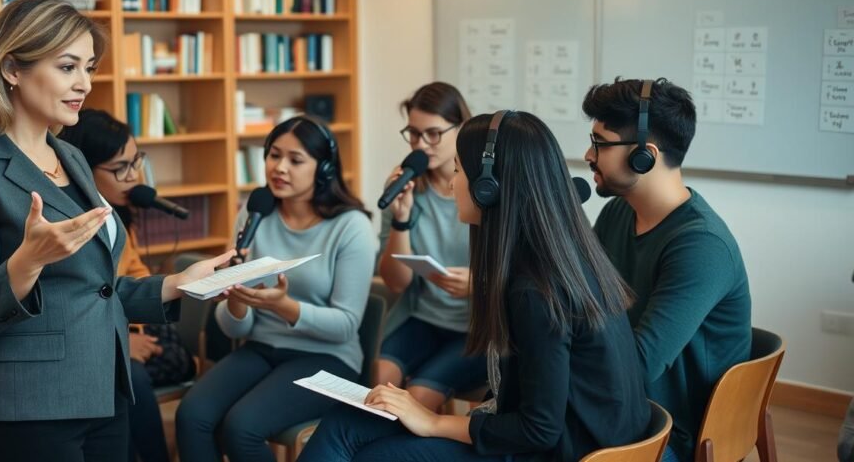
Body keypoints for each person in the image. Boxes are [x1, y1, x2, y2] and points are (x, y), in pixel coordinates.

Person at [0, 0, 233, 462]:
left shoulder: (69, 157)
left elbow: (96, 289)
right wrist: (27, 262)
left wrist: (177, 285)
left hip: (102, 393)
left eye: (89, 68)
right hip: (23, 409)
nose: (85, 84)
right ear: (12, 69)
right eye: (68, 67)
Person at [299, 110, 650, 462]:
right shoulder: (561, 256)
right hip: (543, 435)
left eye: (457, 170)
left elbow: (539, 430)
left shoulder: (536, 290)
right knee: (344, 424)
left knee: (375, 454)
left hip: (557, 451)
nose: (451, 184)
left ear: (489, 187)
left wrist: (434, 422)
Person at [175, 116, 376, 462]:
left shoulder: (350, 227)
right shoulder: (253, 216)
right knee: (191, 415)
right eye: (273, 155)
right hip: (262, 347)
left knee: (242, 428)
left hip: (328, 358)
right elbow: (234, 327)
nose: (279, 168)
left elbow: (345, 325)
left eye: (295, 160)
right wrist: (237, 301)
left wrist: (284, 306)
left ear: (324, 169)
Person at [582, 78, 752, 462]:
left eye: (600, 144)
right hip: (625, 407)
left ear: (646, 154)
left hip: (672, 430)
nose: (588, 156)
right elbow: (583, 300)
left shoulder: (702, 246)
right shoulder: (617, 212)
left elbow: (638, 366)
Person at [59, 108, 197, 462]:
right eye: (120, 167)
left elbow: (130, 280)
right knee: (128, 378)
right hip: (81, 340)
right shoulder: (68, 224)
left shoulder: (118, 214)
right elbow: (76, 298)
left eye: (137, 161)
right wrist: (118, 339)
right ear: (80, 166)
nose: (134, 175)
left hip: (122, 326)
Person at [375, 82, 485, 411]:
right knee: (381, 383)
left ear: (462, 127)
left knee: (419, 396)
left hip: (477, 329)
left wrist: (478, 283)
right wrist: (401, 218)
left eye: (433, 134)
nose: (421, 145)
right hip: (422, 318)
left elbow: (525, 270)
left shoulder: (485, 189)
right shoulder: (403, 187)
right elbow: (396, 282)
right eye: (413, 134)